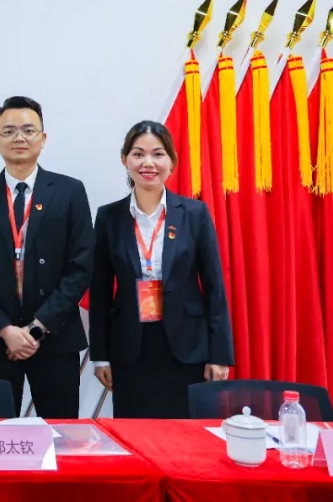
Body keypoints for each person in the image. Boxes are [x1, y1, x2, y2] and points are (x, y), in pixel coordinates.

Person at [0, 96, 94, 418]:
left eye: (28, 130)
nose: (19, 137)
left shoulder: (70, 191)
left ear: (43, 138)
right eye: (9, 131)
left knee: (60, 434)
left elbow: (81, 267)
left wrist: (36, 328)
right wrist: (5, 330)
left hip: (56, 338)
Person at [89, 120, 233, 419]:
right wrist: (100, 356)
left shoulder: (194, 213)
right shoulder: (109, 217)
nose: (148, 163)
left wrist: (219, 354)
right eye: (138, 154)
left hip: (187, 347)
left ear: (171, 161)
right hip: (130, 348)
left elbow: (214, 288)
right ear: (125, 159)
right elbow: (100, 292)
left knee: (184, 434)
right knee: (135, 433)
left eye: (158, 154)